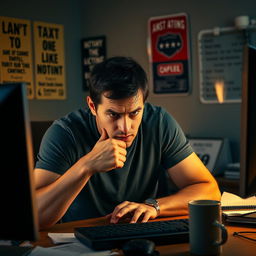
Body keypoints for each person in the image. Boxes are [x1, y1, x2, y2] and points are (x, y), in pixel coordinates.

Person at [35, 56, 220, 229]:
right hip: (79, 239)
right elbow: (35, 215)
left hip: (139, 233)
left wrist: (155, 206)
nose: (125, 127)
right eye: (113, 114)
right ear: (93, 106)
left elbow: (209, 191)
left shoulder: (160, 123)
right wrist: (86, 166)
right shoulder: (65, 133)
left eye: (134, 113)